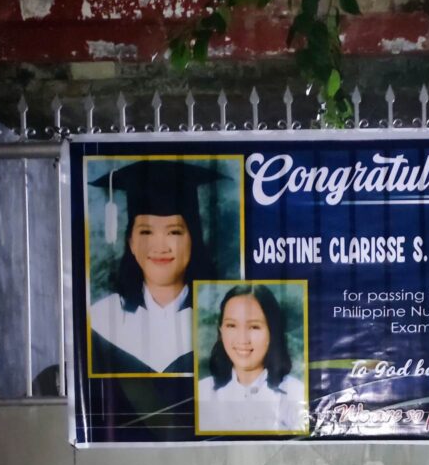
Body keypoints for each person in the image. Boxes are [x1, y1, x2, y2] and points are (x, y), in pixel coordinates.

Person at [88, 160, 222, 374]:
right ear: (130, 242)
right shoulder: (102, 319)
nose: (160, 246)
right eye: (146, 232)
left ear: (193, 240)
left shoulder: (220, 319)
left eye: (174, 232)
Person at [196, 284, 308, 434]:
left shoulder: (297, 394)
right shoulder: (202, 392)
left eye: (254, 327)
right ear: (221, 330)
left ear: (272, 332)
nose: (242, 339)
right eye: (231, 325)